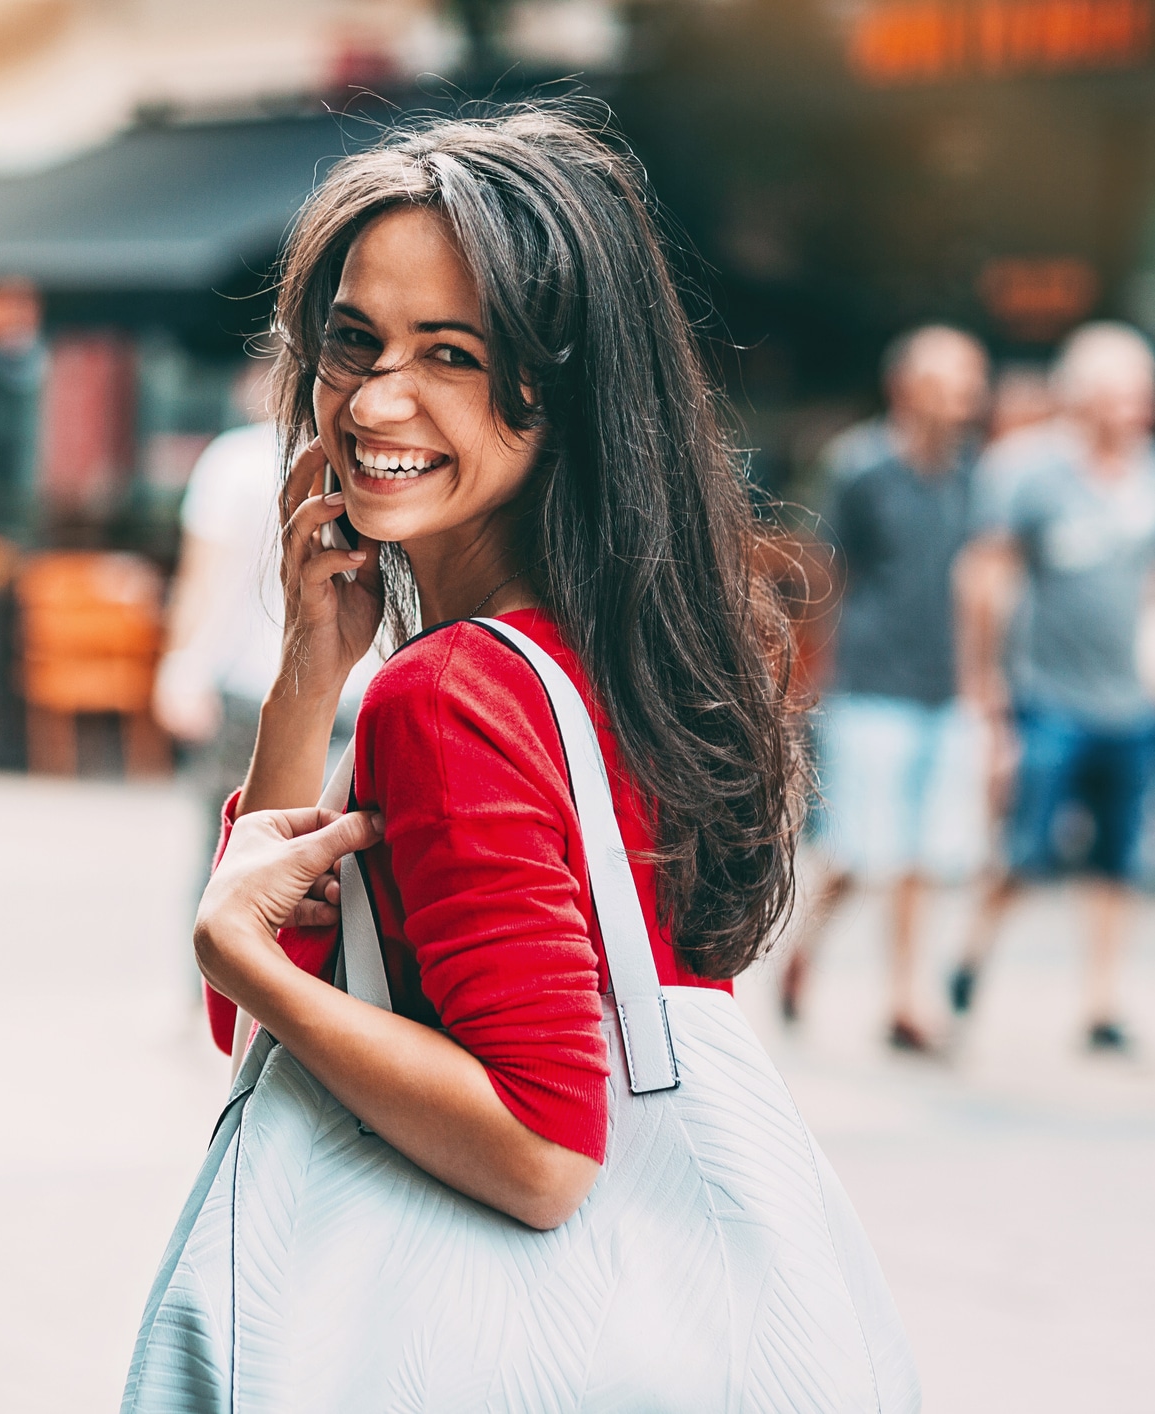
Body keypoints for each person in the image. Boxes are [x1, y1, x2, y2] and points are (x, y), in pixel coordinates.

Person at [194, 110, 799, 1229]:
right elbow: (273, 1031)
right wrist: (306, 678)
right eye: (353, 342)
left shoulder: (454, 695)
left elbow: (540, 1151)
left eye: (452, 355)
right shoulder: (616, 656)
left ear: (563, 395)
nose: (376, 401)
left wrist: (241, 957)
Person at [778, 326, 991, 1051]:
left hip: (942, 687)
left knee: (920, 855)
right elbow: (823, 574)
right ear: (906, 385)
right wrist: (809, 678)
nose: (966, 394)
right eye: (951, 379)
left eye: (970, 379)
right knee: (860, 853)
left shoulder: (968, 473)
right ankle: (803, 949)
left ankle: (903, 998)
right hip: (868, 684)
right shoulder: (860, 466)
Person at [951, 321, 1155, 1053]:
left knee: (1116, 859)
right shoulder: (1030, 472)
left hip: (1128, 702)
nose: (1135, 405)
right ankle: (969, 960)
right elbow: (985, 576)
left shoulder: (1146, 475)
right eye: (1119, 391)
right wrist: (986, 692)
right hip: (1048, 698)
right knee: (1023, 852)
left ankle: (1101, 1004)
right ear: (1080, 397)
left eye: (1139, 390)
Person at [153, 363, 374, 869]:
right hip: (358, 694)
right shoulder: (372, 460)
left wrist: (182, 670)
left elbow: (201, 579)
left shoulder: (232, 459)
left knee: (233, 859)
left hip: (248, 689)